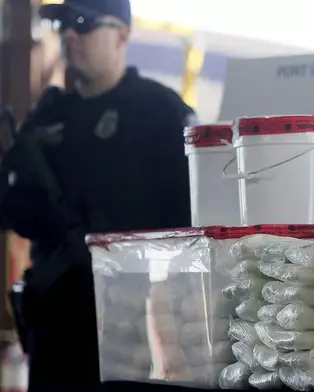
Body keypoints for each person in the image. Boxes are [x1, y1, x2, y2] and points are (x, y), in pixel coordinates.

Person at [1, 0, 196, 389]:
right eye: (63, 25)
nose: (71, 35)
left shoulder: (161, 113)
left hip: (137, 329)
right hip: (56, 327)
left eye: (84, 24)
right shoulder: (49, 115)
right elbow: (18, 213)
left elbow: (193, 220)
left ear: (123, 35)